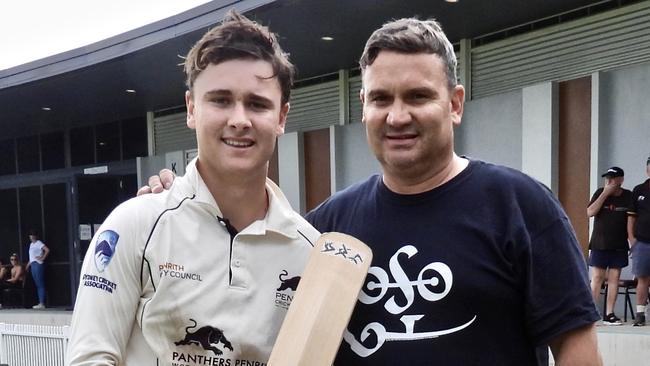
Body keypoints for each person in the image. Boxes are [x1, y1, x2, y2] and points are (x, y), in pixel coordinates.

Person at [145, 16, 602, 366]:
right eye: (382, 99)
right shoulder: (324, 228)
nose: (397, 116)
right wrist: (181, 211)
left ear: (455, 104)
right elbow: (239, 306)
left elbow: (576, 349)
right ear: (363, 107)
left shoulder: (520, 207)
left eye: (418, 97)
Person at [67, 10, 319, 366]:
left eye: (258, 104)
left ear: (281, 118)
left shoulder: (309, 253)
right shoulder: (133, 226)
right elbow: (89, 358)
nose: (239, 120)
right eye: (220, 100)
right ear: (191, 109)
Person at [587, 166, 632, 325]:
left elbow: (632, 220)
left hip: (619, 243)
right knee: (597, 277)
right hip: (600, 242)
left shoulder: (628, 196)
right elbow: (590, 212)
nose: (609, 181)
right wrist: (605, 193)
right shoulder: (600, 193)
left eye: (612, 178)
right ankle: (591, 314)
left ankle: (609, 314)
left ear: (620, 179)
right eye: (607, 178)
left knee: (614, 278)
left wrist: (632, 241)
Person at [628, 156, 650, 326]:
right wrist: (632, 240)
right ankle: (640, 314)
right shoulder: (639, 190)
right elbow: (631, 218)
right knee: (642, 278)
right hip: (642, 242)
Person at [26, 230, 49, 309]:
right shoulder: (31, 244)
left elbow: (47, 250)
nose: (31, 236)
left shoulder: (38, 243)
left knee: (40, 283)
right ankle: (40, 301)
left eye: (33, 235)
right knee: (37, 283)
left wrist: (42, 257)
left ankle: (42, 303)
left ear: (36, 236)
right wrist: (28, 265)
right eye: (30, 235)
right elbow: (31, 256)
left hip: (38, 263)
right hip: (32, 264)